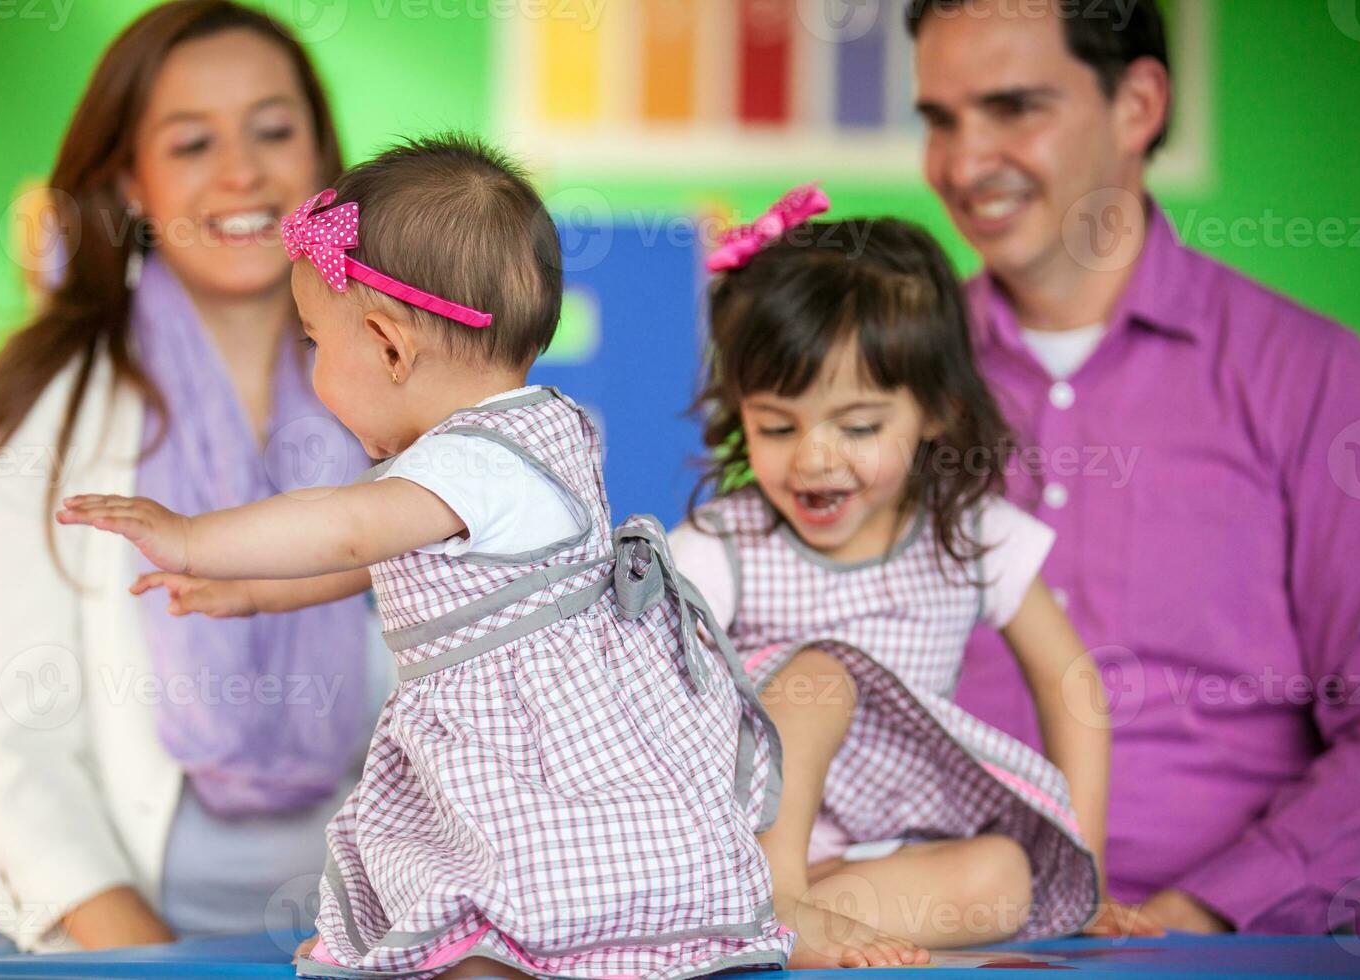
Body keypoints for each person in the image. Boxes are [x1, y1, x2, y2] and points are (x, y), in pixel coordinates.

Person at [57, 134, 810, 979]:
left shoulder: (473, 459)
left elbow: (346, 527)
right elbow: (382, 556)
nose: (311, 369)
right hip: (534, 746)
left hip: (536, 765)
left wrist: (196, 535)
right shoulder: (525, 432)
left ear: (387, 344)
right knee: (480, 900)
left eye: (314, 343)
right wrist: (257, 593)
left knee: (513, 921)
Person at [909, 0, 1360, 933]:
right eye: (940, 120)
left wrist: (1198, 916)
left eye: (1014, 108)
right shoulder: (886, 381)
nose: (964, 165)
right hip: (923, 934)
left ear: (1138, 105)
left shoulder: (1310, 376)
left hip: (1232, 945)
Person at [0, 0, 379, 954]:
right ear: (130, 181)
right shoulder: (49, 403)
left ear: (322, 158)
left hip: (364, 936)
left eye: (273, 130)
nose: (241, 172)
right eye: (190, 143)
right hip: (103, 937)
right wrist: (146, 962)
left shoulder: (401, 385)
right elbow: (20, 745)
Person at [669, 186, 1108, 952]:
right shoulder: (723, 547)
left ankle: (799, 926)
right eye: (777, 425)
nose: (813, 458)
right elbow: (634, 689)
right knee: (824, 676)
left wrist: (1090, 865)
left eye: (859, 425)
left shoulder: (973, 538)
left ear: (935, 411)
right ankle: (773, 899)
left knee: (1007, 873)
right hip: (746, 840)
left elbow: (1071, 682)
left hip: (888, 849)